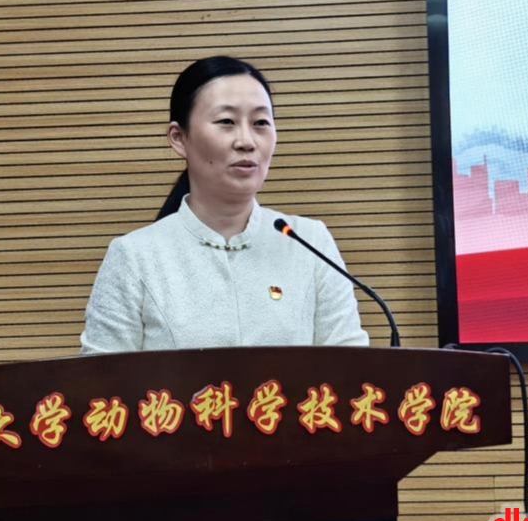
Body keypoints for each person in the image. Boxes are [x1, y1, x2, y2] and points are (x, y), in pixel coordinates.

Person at [79, 56, 369, 354]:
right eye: (226, 122)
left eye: (260, 123)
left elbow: (352, 366)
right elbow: (101, 378)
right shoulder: (134, 257)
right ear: (179, 138)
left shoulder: (310, 242)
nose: (246, 141)